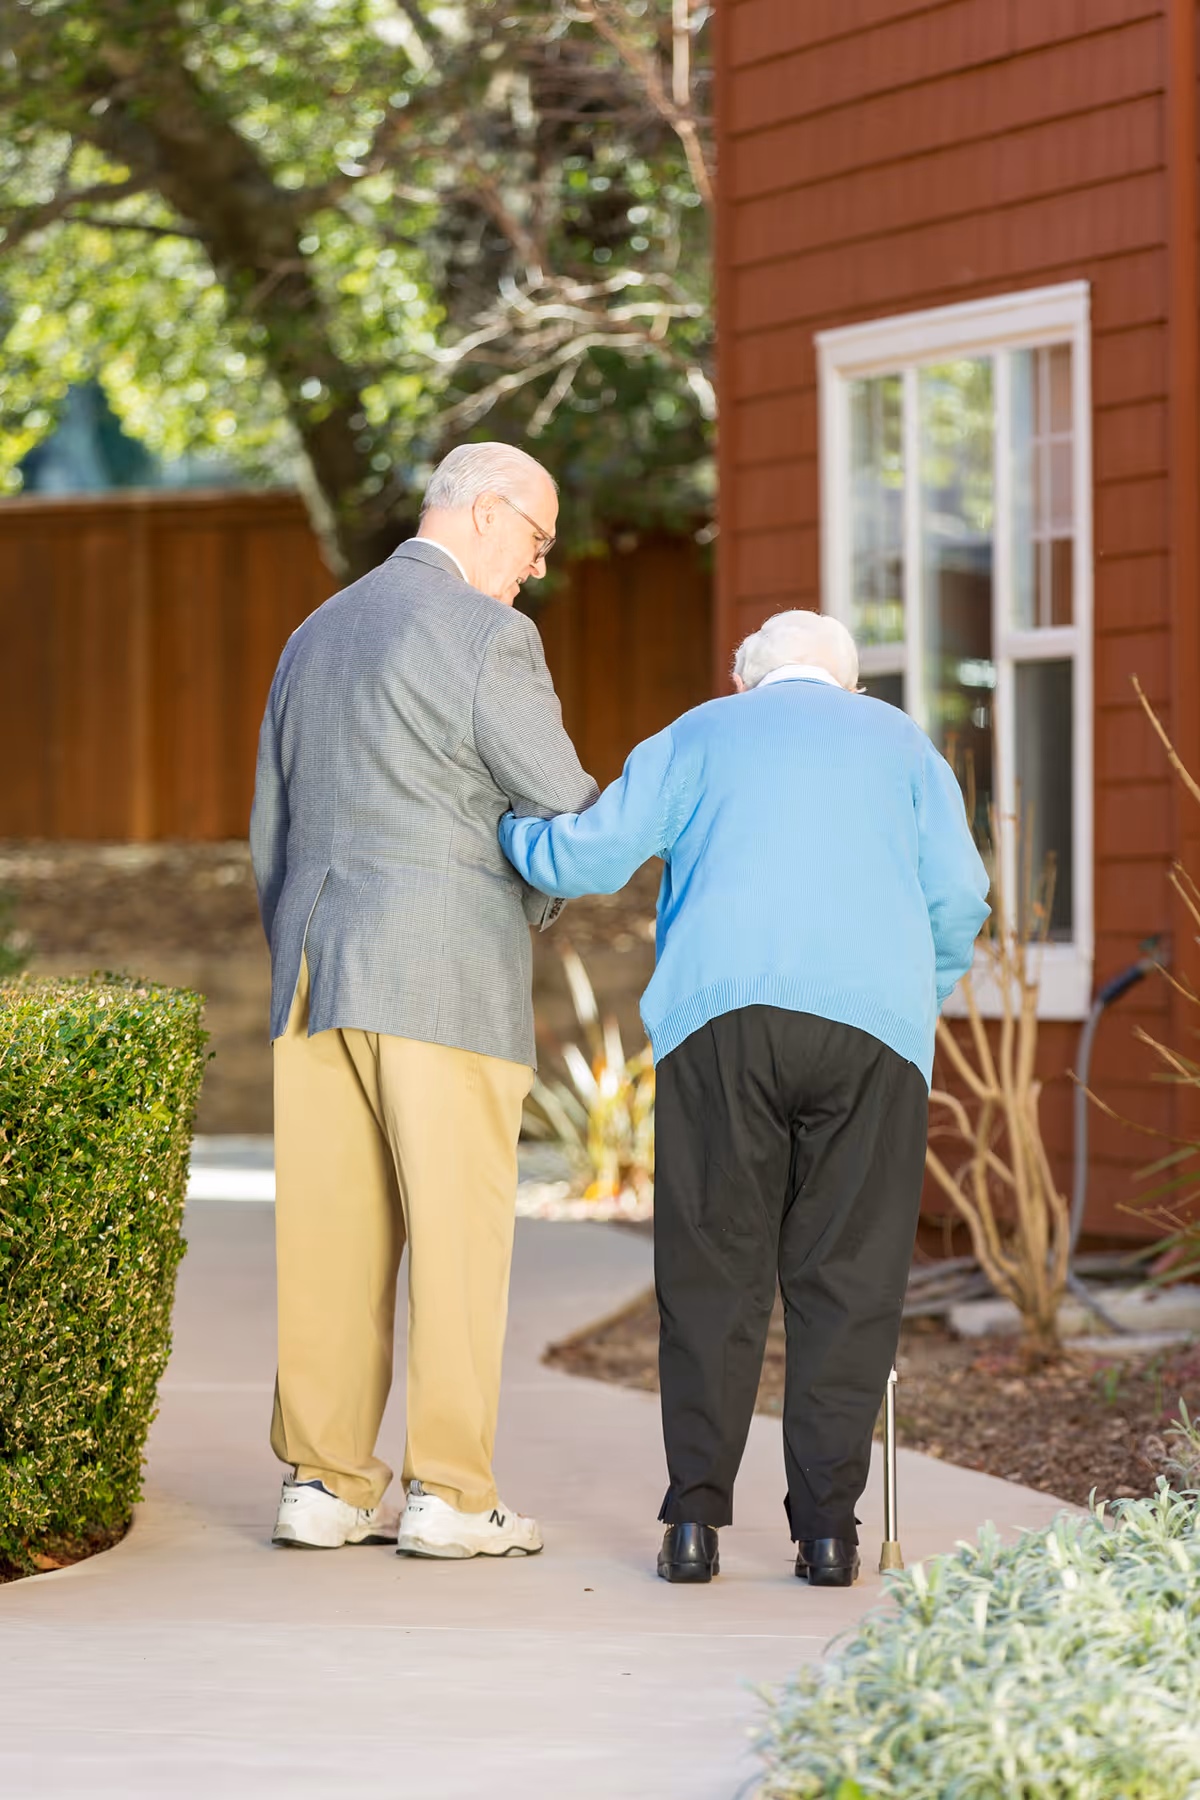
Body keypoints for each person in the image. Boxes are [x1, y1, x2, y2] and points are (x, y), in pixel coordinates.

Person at [499, 609, 989, 1587]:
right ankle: (828, 1535)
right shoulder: (900, 745)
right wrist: (907, 997)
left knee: (713, 1271)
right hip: (871, 1035)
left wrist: (515, 837)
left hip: (720, 1019)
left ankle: (693, 1526)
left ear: (743, 677)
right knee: (847, 1280)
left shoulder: (702, 732)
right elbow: (962, 896)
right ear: (850, 687)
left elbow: (594, 854)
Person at [251, 442, 598, 1560]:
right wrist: (535, 896)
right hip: (441, 967)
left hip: (313, 965)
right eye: (539, 542)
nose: (536, 571)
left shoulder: (315, 633)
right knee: (454, 1238)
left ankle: (327, 1483)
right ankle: (450, 1493)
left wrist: (298, 942)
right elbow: (566, 810)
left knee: (328, 1239)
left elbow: (271, 831)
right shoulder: (488, 635)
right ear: (490, 515)